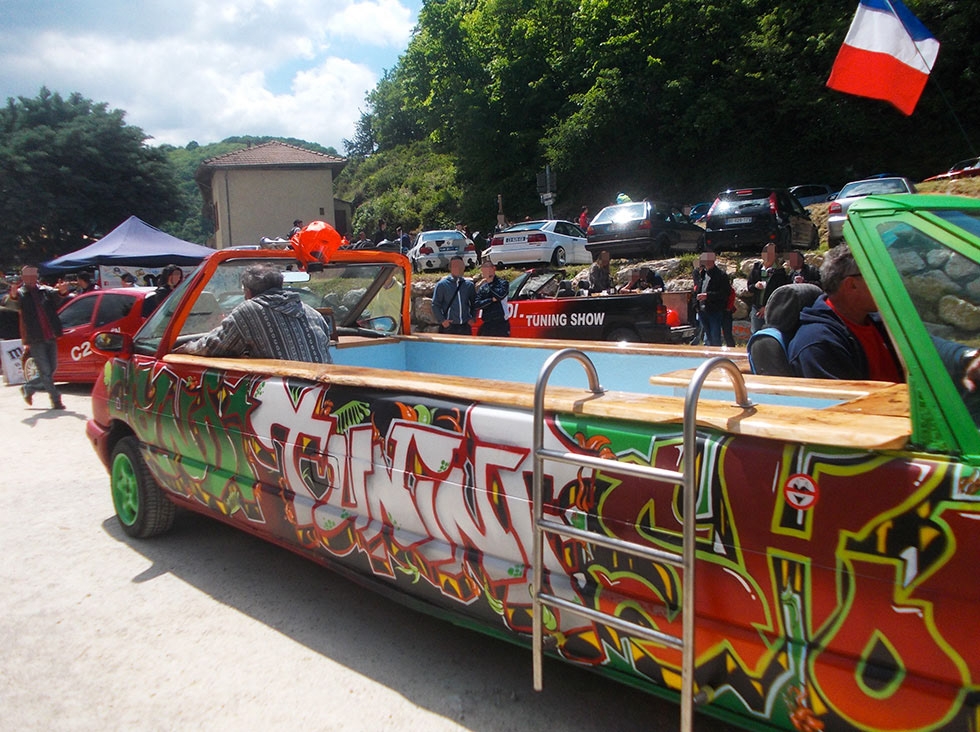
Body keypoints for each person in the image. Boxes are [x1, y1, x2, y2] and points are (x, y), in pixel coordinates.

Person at [788, 245, 902, 381]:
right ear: (851, 284)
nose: (886, 284)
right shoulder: (818, 343)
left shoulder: (878, 322)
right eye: (877, 276)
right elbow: (846, 401)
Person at [174, 264, 332, 362]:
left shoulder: (249, 310)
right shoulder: (312, 313)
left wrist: (186, 348)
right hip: (322, 394)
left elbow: (214, 345)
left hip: (288, 395)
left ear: (248, 292)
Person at [4, 265, 67, 409]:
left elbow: (57, 296)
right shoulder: (21, 293)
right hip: (35, 338)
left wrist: (62, 291)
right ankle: (56, 400)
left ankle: (29, 387)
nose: (31, 279)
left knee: (52, 369)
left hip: (50, 335)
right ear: (23, 278)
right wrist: (12, 296)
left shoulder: (45, 290)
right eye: (28, 276)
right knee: (45, 371)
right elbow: (11, 304)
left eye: (33, 276)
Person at [746, 243, 790, 333]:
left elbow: (780, 293)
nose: (768, 255)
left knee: (770, 333)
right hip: (757, 308)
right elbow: (750, 287)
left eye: (771, 253)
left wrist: (766, 307)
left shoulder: (780, 272)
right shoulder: (757, 268)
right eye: (766, 252)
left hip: (772, 309)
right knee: (756, 334)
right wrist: (755, 286)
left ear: (776, 255)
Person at [692, 251, 730, 347]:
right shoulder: (702, 274)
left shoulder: (721, 276)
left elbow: (724, 294)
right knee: (708, 338)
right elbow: (697, 289)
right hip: (702, 310)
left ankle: (716, 357)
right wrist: (696, 305)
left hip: (714, 311)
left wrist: (708, 296)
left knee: (715, 337)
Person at [431, 256, 475, 335]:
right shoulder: (442, 285)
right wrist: (443, 321)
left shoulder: (469, 285)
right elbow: (435, 304)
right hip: (449, 327)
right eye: (455, 266)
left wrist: (472, 318)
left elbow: (475, 303)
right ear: (450, 267)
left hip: (465, 326)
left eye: (460, 266)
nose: (457, 268)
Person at [474, 261, 510, 337]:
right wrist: (491, 300)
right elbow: (477, 304)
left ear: (494, 269)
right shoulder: (483, 287)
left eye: (488, 269)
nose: (486, 272)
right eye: (484, 270)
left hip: (501, 323)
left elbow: (500, 296)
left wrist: (490, 283)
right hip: (487, 323)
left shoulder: (503, 283)